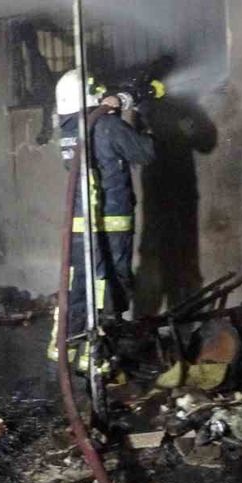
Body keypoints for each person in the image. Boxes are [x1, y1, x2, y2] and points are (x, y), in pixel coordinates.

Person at [48, 68, 154, 370]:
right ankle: (97, 356)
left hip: (81, 222)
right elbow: (146, 152)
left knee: (80, 285)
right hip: (109, 220)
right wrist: (142, 114)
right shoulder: (106, 125)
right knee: (110, 284)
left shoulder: (69, 129)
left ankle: (67, 347)